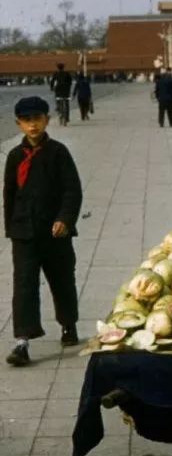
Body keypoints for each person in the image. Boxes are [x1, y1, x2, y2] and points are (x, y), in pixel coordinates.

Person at [4, 97, 83, 366]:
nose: (33, 125)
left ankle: (68, 324)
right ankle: (22, 342)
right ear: (19, 124)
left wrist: (65, 219)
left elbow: (72, 190)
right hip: (24, 234)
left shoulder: (58, 152)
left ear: (47, 120)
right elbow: (10, 195)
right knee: (24, 285)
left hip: (55, 233)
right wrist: (12, 228)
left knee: (62, 281)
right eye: (27, 120)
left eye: (37, 119)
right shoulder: (15, 157)